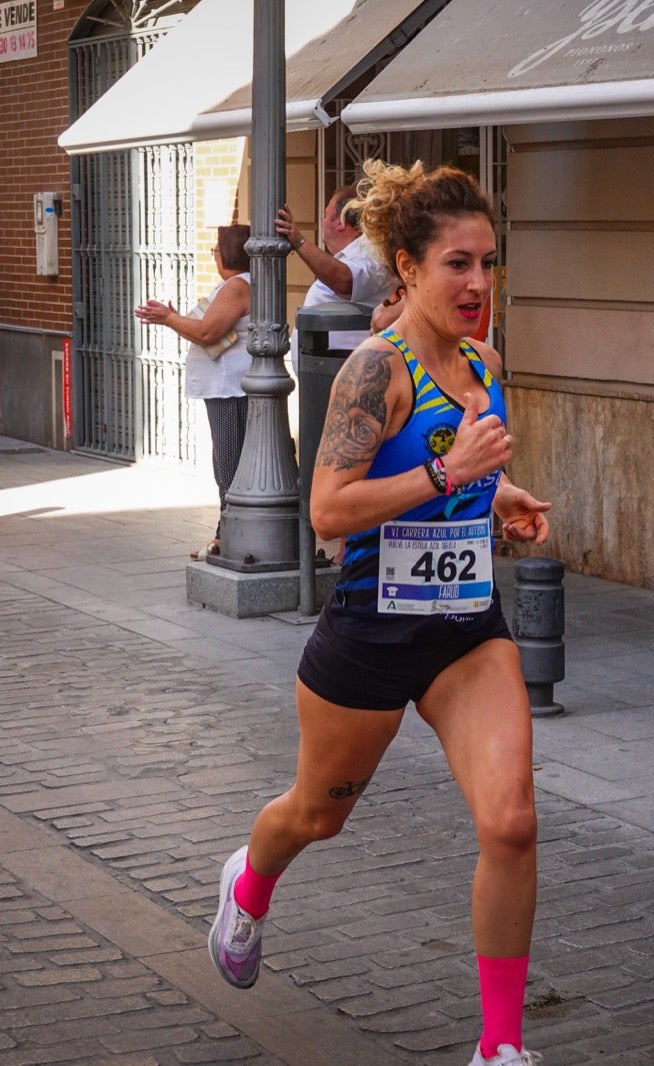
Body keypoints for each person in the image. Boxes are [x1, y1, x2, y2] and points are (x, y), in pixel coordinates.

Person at [207, 160, 552, 1066]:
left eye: (488, 263)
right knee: (316, 817)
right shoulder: (375, 369)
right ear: (406, 267)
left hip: (465, 626)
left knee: (512, 821)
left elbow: (467, 473)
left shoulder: (483, 362)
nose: (477, 283)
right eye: (457, 265)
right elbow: (327, 512)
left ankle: (501, 1048)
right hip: (370, 626)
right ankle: (247, 886)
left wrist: (501, 495)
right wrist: (451, 475)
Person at [134, 224, 253, 561]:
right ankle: (226, 534)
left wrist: (168, 318)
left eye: (216, 248)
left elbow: (206, 331)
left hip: (230, 389)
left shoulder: (237, 286)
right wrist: (174, 317)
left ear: (228, 252)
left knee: (228, 465)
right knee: (226, 462)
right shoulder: (237, 285)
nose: (213, 254)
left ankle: (227, 537)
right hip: (226, 388)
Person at [276, 186, 397, 366]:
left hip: (348, 369)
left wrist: (299, 241)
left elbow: (346, 282)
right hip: (325, 366)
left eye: (326, 215)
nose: (323, 221)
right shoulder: (351, 256)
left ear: (340, 222)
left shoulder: (373, 253)